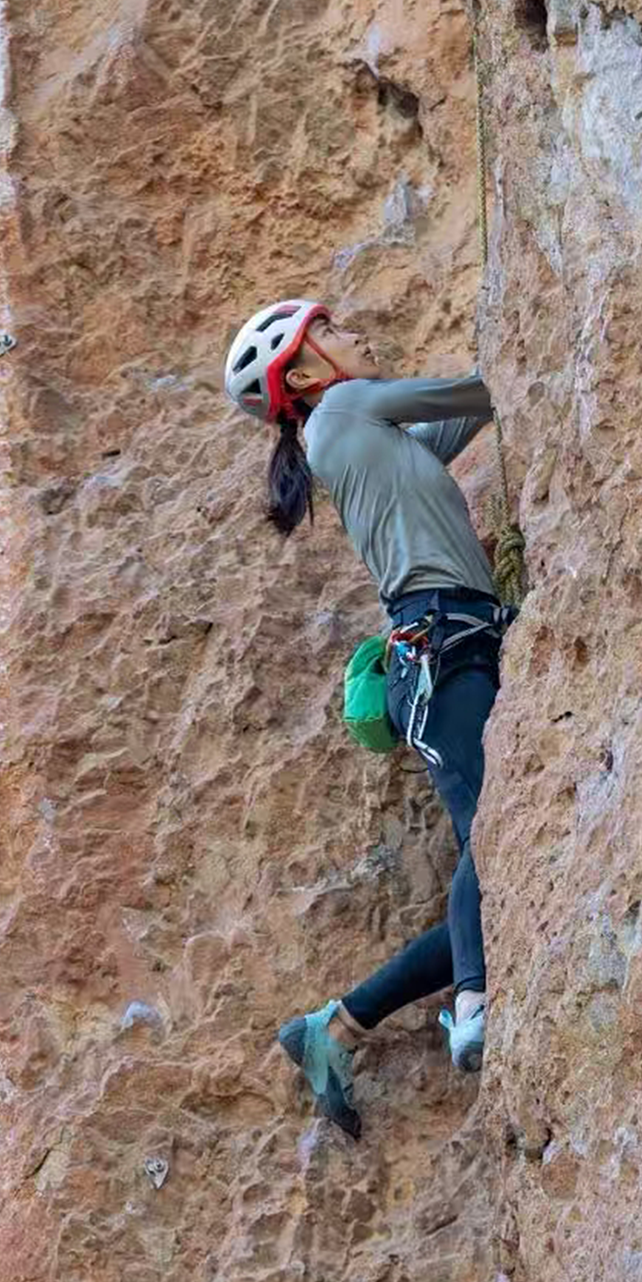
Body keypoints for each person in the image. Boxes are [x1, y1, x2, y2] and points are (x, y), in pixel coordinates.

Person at [222, 297, 508, 1138]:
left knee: (495, 853)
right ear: (307, 375)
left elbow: (466, 416)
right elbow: (479, 390)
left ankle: (337, 1028)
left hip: (447, 645)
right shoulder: (344, 408)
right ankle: (473, 1003)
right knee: (494, 835)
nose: (357, 335)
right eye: (332, 331)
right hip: (442, 646)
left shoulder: (364, 437)